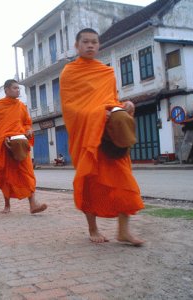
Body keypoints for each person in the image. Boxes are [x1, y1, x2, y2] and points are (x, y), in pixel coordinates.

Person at [60, 28, 144, 245]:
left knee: (125, 181)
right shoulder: (69, 73)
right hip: (88, 136)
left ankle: (123, 231)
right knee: (91, 183)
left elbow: (111, 100)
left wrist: (125, 106)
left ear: (99, 46)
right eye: (85, 42)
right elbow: (72, 109)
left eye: (94, 42)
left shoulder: (106, 72)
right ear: (76, 46)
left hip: (108, 134)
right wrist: (99, 114)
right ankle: (93, 228)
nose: (90, 45)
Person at [0, 79, 48, 214]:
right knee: (6, 175)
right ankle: (7, 205)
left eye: (19, 88)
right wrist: (3, 138)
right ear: (6, 90)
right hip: (6, 144)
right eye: (15, 88)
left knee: (27, 172)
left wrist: (28, 130)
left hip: (20, 143)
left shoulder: (21, 106)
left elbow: (27, 122)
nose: (18, 90)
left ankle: (33, 204)